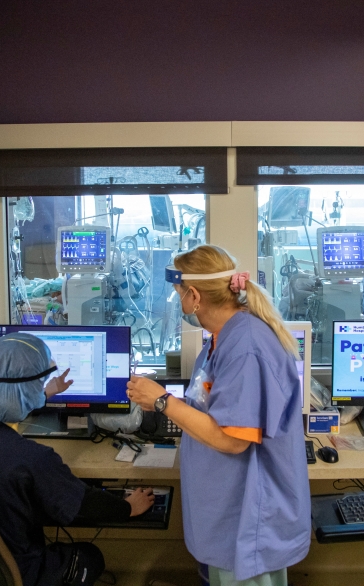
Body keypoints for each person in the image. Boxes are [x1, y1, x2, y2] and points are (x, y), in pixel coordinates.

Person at [127, 245, 310, 586]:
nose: (177, 300)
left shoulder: (246, 347)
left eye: (178, 293)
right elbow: (209, 405)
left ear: (194, 296)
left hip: (248, 519)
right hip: (226, 507)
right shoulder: (224, 337)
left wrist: (164, 402)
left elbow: (233, 438)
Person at [0, 333, 155, 586]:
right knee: (91, 555)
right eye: (39, 381)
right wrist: (129, 507)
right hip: (18, 574)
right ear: (29, 391)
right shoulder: (33, 459)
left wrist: (43, 394)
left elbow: (4, 399)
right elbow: (85, 505)